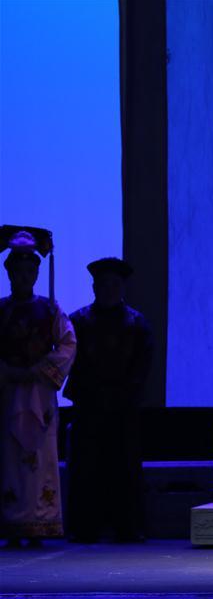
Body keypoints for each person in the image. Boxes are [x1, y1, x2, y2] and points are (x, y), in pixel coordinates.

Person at [64, 257, 152, 542]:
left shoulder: (137, 323)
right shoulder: (78, 320)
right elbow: (71, 364)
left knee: (124, 468)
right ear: (94, 286)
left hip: (123, 407)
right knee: (86, 469)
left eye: (115, 284)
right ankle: (84, 528)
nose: (109, 289)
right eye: (103, 284)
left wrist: (124, 396)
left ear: (123, 286)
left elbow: (142, 365)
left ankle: (128, 527)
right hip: (88, 406)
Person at [0, 230, 76, 547]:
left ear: (36, 272)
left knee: (40, 457)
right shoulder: (0, 310)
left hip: (39, 392)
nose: (24, 275)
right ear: (9, 273)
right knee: (7, 458)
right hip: (6, 391)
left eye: (30, 270)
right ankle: (10, 523)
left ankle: (39, 523)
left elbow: (68, 343)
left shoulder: (50, 309)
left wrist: (38, 370)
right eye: (18, 270)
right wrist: (7, 371)